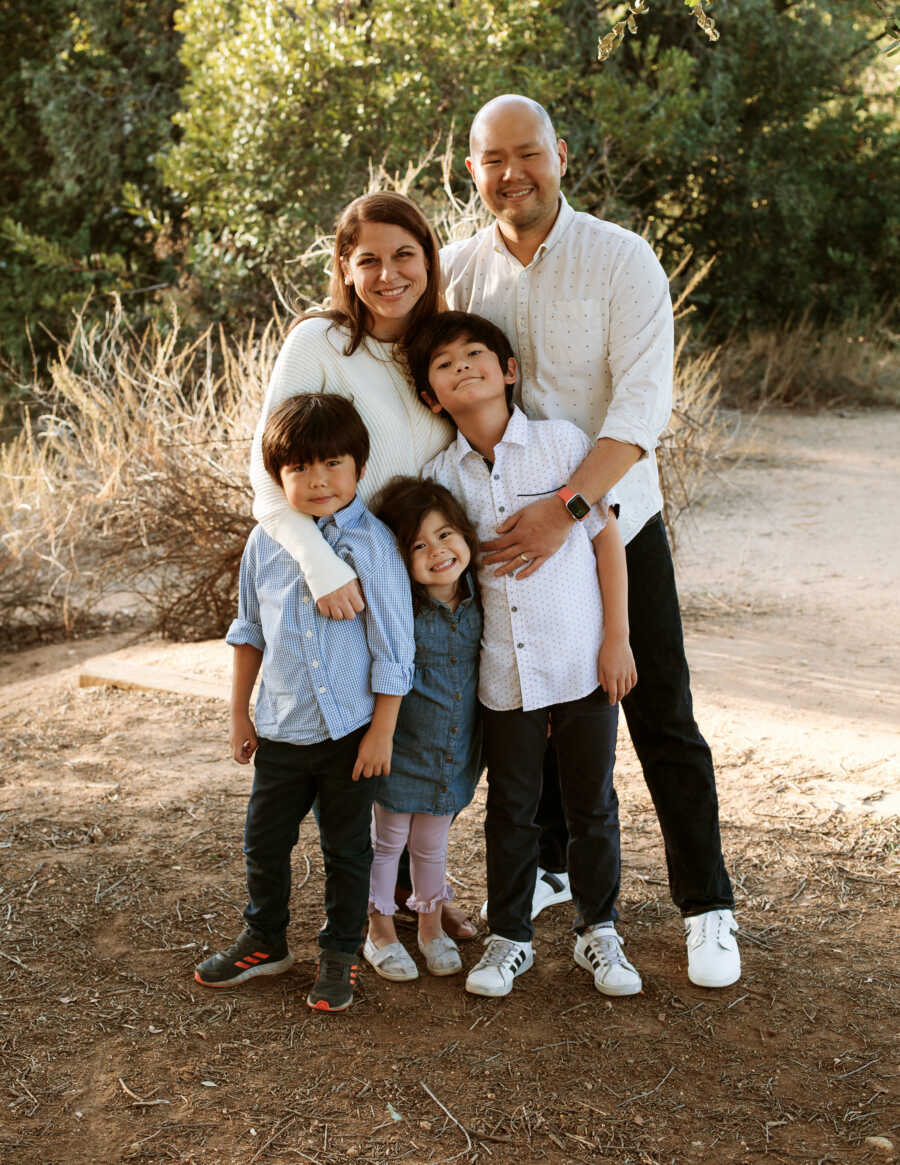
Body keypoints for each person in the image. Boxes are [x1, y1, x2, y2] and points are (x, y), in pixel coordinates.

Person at [440, 94, 740, 989]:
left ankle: (707, 907)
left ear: (559, 155)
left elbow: (643, 407)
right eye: (493, 160)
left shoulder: (622, 259)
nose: (512, 174)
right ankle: (554, 873)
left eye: (528, 154)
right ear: (472, 171)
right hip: (508, 543)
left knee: (658, 712)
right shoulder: (459, 272)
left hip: (615, 522)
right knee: (533, 710)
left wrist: (564, 509)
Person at [249, 191, 477, 941]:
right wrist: (321, 565)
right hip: (352, 581)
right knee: (377, 745)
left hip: (433, 573)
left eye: (404, 254)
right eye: (369, 258)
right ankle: (373, 915)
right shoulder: (319, 342)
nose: (388, 274)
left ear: (429, 260)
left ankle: (425, 892)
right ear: (344, 269)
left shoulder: (440, 344)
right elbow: (268, 473)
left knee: (437, 739)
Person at [409, 310, 641, 999]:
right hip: (503, 669)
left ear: (509, 370)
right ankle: (510, 937)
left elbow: (606, 541)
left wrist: (617, 638)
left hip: (581, 658)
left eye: (476, 354)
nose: (463, 368)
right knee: (512, 804)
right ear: (431, 397)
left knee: (591, 802)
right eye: (444, 365)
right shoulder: (438, 475)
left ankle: (599, 931)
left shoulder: (561, 444)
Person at [194, 394, 415, 1012]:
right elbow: (248, 633)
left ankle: (340, 954)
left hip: (352, 732)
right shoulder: (264, 544)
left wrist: (382, 733)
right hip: (283, 730)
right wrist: (240, 713)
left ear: (359, 468)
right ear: (277, 477)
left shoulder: (373, 546)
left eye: (332, 464)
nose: (318, 481)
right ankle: (265, 940)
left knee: (346, 849)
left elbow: (396, 648)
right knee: (263, 840)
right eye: (299, 469)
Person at [362, 479, 482, 982]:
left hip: (450, 757)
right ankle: (380, 930)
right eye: (418, 544)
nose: (438, 551)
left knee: (432, 847)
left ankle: (430, 927)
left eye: (446, 534)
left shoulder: (482, 601)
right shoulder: (401, 612)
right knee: (388, 843)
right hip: (401, 751)